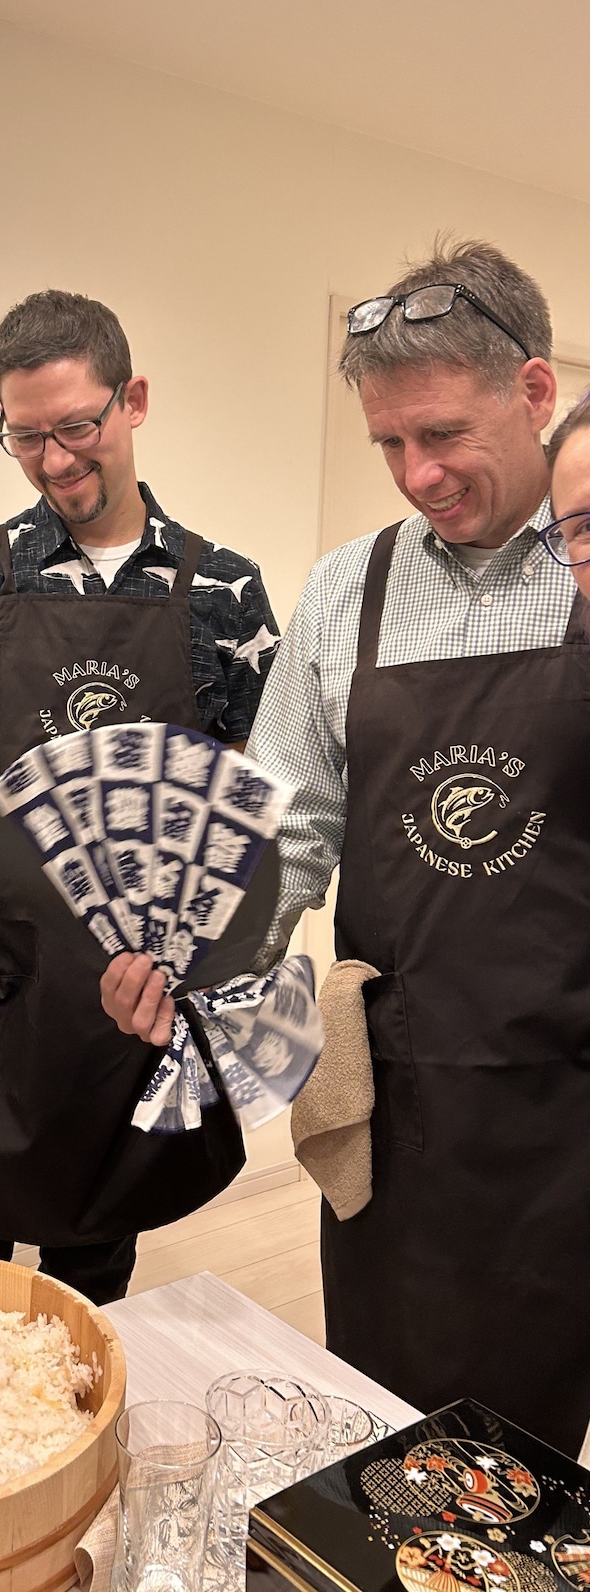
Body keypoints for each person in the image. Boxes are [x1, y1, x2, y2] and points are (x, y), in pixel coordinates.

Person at [209, 238, 589, 1455]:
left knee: (530, 1455)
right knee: (381, 1419)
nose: (416, 473)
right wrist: (212, 951)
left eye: (440, 434)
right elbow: (286, 818)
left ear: (533, 392)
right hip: (400, 1092)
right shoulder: (343, 592)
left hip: (570, 1102)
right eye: (388, 444)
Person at [0, 290, 281, 1305]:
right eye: (25, 436)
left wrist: (199, 968)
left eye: (77, 427)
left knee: (94, 1270)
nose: (54, 460)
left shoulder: (225, 595)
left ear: (132, 400)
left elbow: (241, 803)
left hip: (131, 1003)